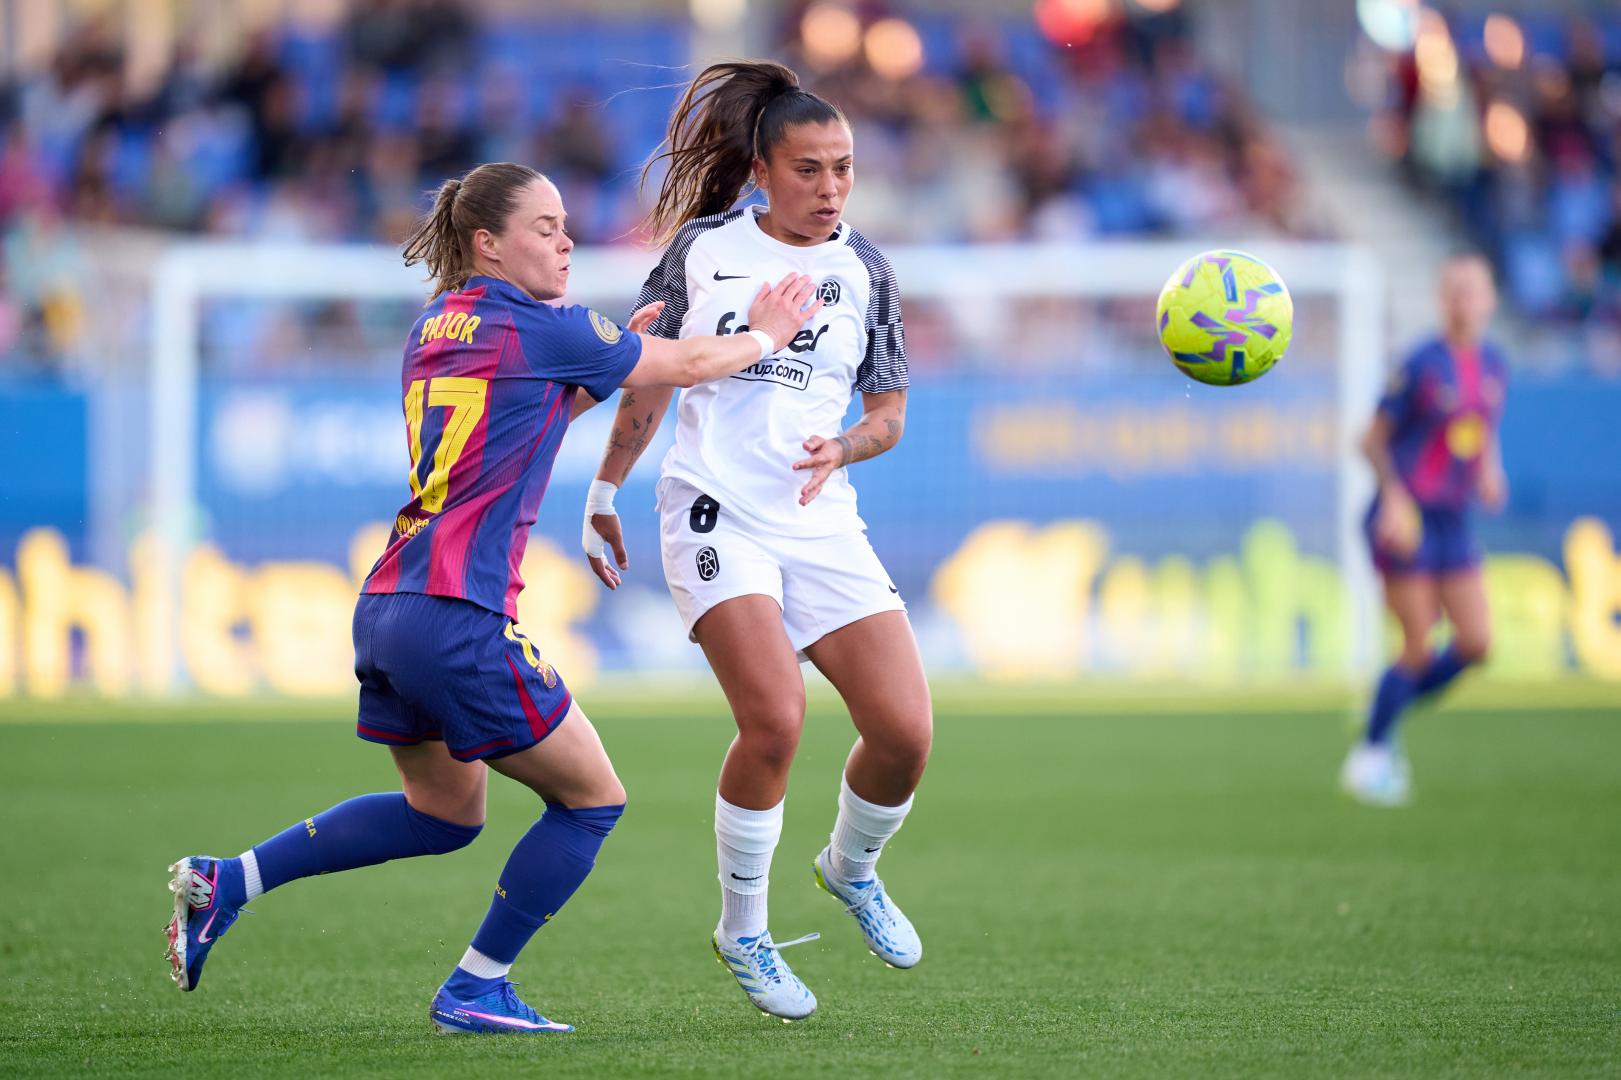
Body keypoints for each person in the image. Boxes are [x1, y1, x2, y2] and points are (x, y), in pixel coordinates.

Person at [164, 161, 822, 1034]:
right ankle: (475, 986)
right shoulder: (545, 324)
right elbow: (695, 360)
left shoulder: (437, 323)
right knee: (594, 800)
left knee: (443, 812)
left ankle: (228, 880)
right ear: (489, 243)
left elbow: (525, 409)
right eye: (545, 226)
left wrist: (602, 359)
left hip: (390, 603)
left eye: (563, 224)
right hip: (459, 613)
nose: (565, 240)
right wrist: (767, 332)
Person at [582, 61, 931, 1021]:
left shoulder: (867, 269)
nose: (830, 189)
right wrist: (606, 485)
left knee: (903, 734)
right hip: (714, 509)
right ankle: (744, 928)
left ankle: (849, 868)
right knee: (775, 718)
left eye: (844, 169)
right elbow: (649, 369)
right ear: (762, 174)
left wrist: (846, 445)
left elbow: (890, 411)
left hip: (818, 514)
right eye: (810, 169)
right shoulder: (702, 250)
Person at [1340, 255, 1508, 807]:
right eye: (1454, 291)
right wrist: (1392, 496)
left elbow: (1479, 427)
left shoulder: (1493, 364)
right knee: (1416, 644)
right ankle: (1370, 753)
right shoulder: (1420, 363)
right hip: (1405, 515)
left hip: (1453, 517)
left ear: (1490, 300)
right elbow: (1370, 438)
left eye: (1473, 290)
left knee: (1477, 642)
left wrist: (1488, 468)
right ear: (1442, 300)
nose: (1464, 300)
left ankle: (1388, 703)